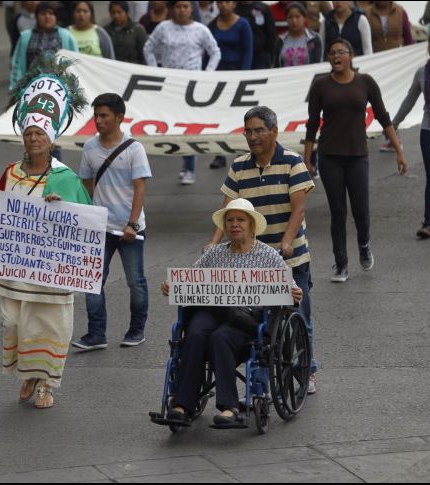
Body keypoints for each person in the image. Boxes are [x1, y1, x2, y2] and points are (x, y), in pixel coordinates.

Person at [0, 57, 91, 409]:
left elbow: (88, 225)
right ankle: (29, 373)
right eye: (29, 133)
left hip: (52, 273)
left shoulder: (66, 178)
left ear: (51, 139)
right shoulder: (11, 172)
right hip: (16, 270)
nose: (33, 139)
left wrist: (63, 210)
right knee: (15, 322)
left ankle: (47, 384)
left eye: (40, 134)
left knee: (49, 326)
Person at [207, 106, 318, 394]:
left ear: (274, 132)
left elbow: (299, 208)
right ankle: (265, 371)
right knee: (260, 320)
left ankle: (308, 370)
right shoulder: (239, 166)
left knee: (298, 313)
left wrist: (287, 240)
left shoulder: (293, 162)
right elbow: (227, 208)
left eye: (259, 130)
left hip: (290, 256)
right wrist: (213, 241)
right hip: (251, 259)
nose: (253, 136)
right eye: (248, 131)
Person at [162, 198, 303, 425]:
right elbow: (190, 279)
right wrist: (172, 286)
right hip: (211, 311)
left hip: (244, 318)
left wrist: (294, 292)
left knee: (220, 338)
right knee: (195, 333)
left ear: (251, 225)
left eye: (240, 220)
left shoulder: (267, 256)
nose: (235, 225)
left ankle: (229, 407)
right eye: (230, 221)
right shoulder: (215, 254)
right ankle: (182, 404)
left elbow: (293, 288)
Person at [305, 38, 407, 282]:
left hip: (357, 156)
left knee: (361, 210)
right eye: (332, 53)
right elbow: (311, 125)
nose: (336, 56)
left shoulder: (365, 82)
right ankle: (341, 264)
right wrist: (307, 160)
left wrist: (399, 151)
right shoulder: (320, 86)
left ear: (351, 56)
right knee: (337, 212)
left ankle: (364, 245)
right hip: (330, 156)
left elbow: (384, 118)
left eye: (341, 52)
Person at [72, 93, 152, 351]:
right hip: (100, 227)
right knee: (92, 280)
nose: (98, 120)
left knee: (135, 281)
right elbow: (85, 184)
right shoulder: (89, 148)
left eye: (104, 115)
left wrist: (132, 224)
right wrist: (87, 215)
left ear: (119, 118)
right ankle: (96, 334)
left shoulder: (134, 149)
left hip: (130, 228)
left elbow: (140, 188)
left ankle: (136, 330)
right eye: (96, 115)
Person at [144, 1, 220, 186]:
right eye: (178, 6)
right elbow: (148, 48)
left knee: (188, 124)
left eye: (186, 6)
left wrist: (207, 74)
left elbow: (215, 52)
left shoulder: (200, 30)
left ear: (191, 9)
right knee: (174, 123)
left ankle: (189, 167)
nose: (182, 10)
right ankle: (183, 160)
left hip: (192, 85)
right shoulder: (163, 28)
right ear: (172, 9)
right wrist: (156, 71)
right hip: (170, 83)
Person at [388, 41, 430, 239]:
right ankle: (428, 223)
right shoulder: (422, 72)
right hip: (428, 131)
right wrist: (393, 124)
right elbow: (409, 100)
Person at [207, 0, 253, 171]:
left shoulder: (243, 24)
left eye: (227, 2)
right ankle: (220, 154)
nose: (223, 5)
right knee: (219, 115)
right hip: (218, 74)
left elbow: (248, 50)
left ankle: (241, 152)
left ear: (234, 4)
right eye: (220, 2)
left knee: (239, 115)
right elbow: (209, 50)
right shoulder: (212, 25)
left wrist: (244, 75)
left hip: (237, 72)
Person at [9, 2, 78, 91]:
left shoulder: (66, 36)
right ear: (36, 17)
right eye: (43, 14)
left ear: (56, 17)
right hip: (31, 88)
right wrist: (15, 90)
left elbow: (75, 64)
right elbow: (17, 67)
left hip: (60, 88)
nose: (47, 17)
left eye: (51, 13)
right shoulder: (25, 37)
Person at [235, 1, 278, 69]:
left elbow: (271, 34)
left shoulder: (263, 8)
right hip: (239, 56)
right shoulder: (234, 9)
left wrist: (268, 53)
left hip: (260, 57)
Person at [279, 3, 323, 67]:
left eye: (297, 17)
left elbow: (318, 64)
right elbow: (276, 65)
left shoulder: (315, 39)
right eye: (290, 17)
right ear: (286, 19)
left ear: (304, 18)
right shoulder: (280, 40)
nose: (294, 20)